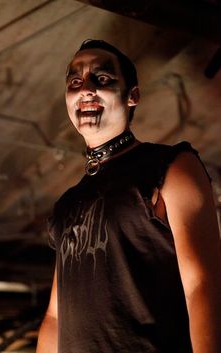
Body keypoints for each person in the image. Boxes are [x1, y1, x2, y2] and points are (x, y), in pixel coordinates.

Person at [36, 39, 221, 353]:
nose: (85, 90)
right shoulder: (67, 204)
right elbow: (55, 315)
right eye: (75, 82)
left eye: (103, 79)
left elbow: (203, 285)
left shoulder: (172, 166)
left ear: (132, 95)